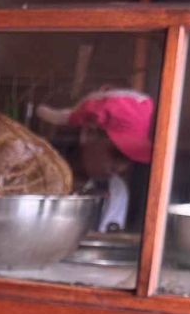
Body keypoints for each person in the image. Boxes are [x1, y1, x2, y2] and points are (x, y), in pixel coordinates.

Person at [38, 89, 153, 232]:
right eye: (116, 154)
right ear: (88, 134)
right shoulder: (35, 176)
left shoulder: (115, 190)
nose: (121, 168)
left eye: (129, 158)